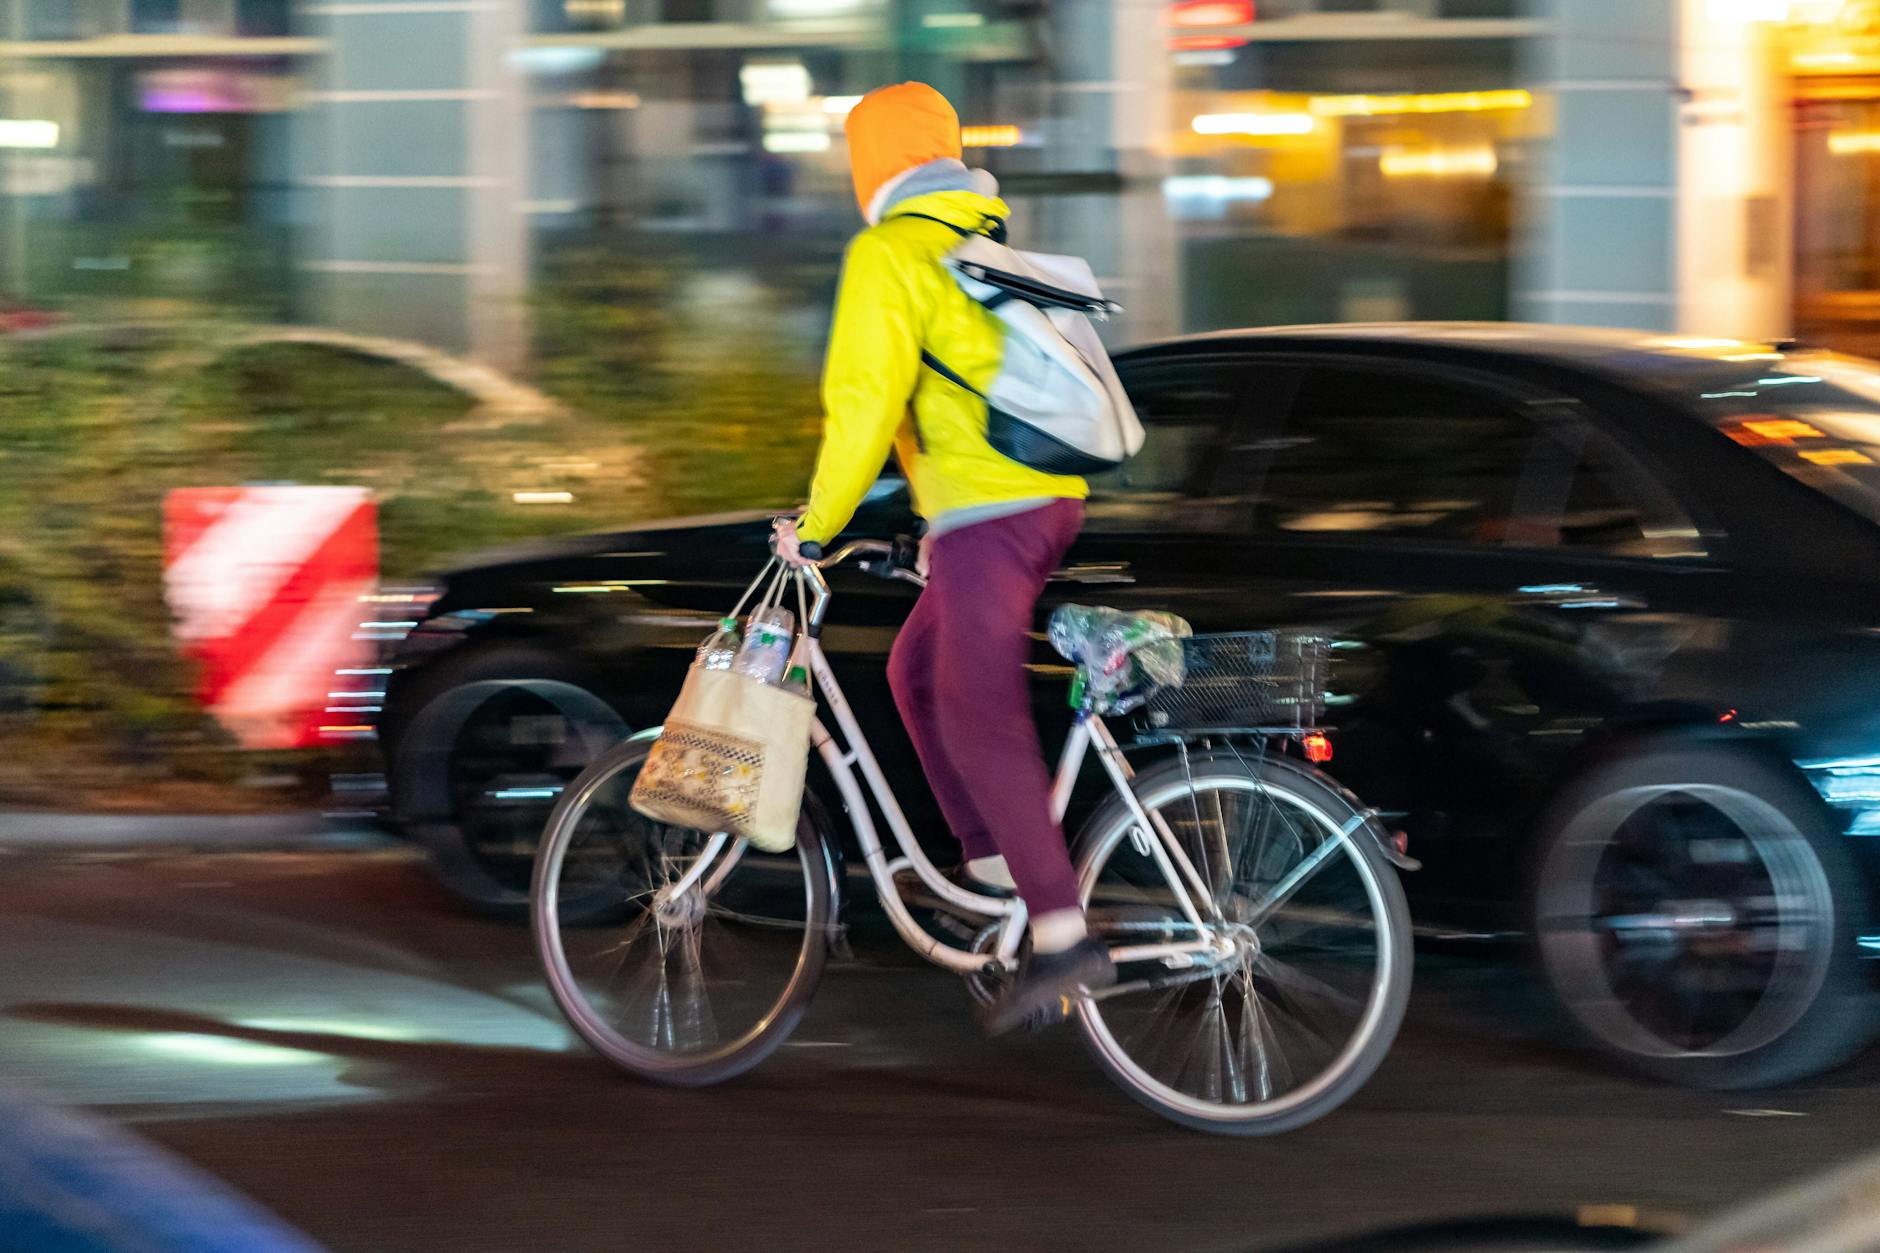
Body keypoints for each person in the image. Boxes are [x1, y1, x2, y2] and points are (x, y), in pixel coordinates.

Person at [772, 82, 1116, 1034]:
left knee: (978, 708)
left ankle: (1059, 931)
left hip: (993, 516)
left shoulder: (891, 250)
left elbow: (865, 403)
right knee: (913, 669)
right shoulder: (978, 241)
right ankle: (998, 868)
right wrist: (934, 518)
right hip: (1035, 506)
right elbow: (954, 400)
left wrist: (819, 522)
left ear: (870, 166)